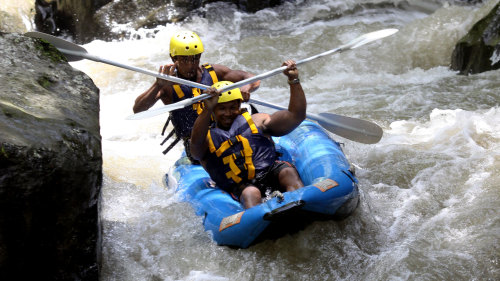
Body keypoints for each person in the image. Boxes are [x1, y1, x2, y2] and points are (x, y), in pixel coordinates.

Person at [190, 60, 306, 209]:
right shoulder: (206, 137)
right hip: (240, 185)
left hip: (269, 172)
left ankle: (302, 205)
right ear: (213, 110)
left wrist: (293, 80)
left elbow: (296, 115)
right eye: (222, 109)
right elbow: (195, 149)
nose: (228, 113)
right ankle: (262, 222)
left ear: (239, 105)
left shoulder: (258, 121)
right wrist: (207, 109)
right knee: (251, 193)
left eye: (233, 107)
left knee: (288, 172)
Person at [133, 30, 260, 161]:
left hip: (225, 132)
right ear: (173, 58)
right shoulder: (167, 84)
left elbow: (251, 78)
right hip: (198, 144)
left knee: (251, 111)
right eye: (184, 59)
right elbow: (138, 110)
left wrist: (247, 87)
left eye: (195, 59)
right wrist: (157, 85)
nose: (190, 65)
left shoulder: (214, 72)